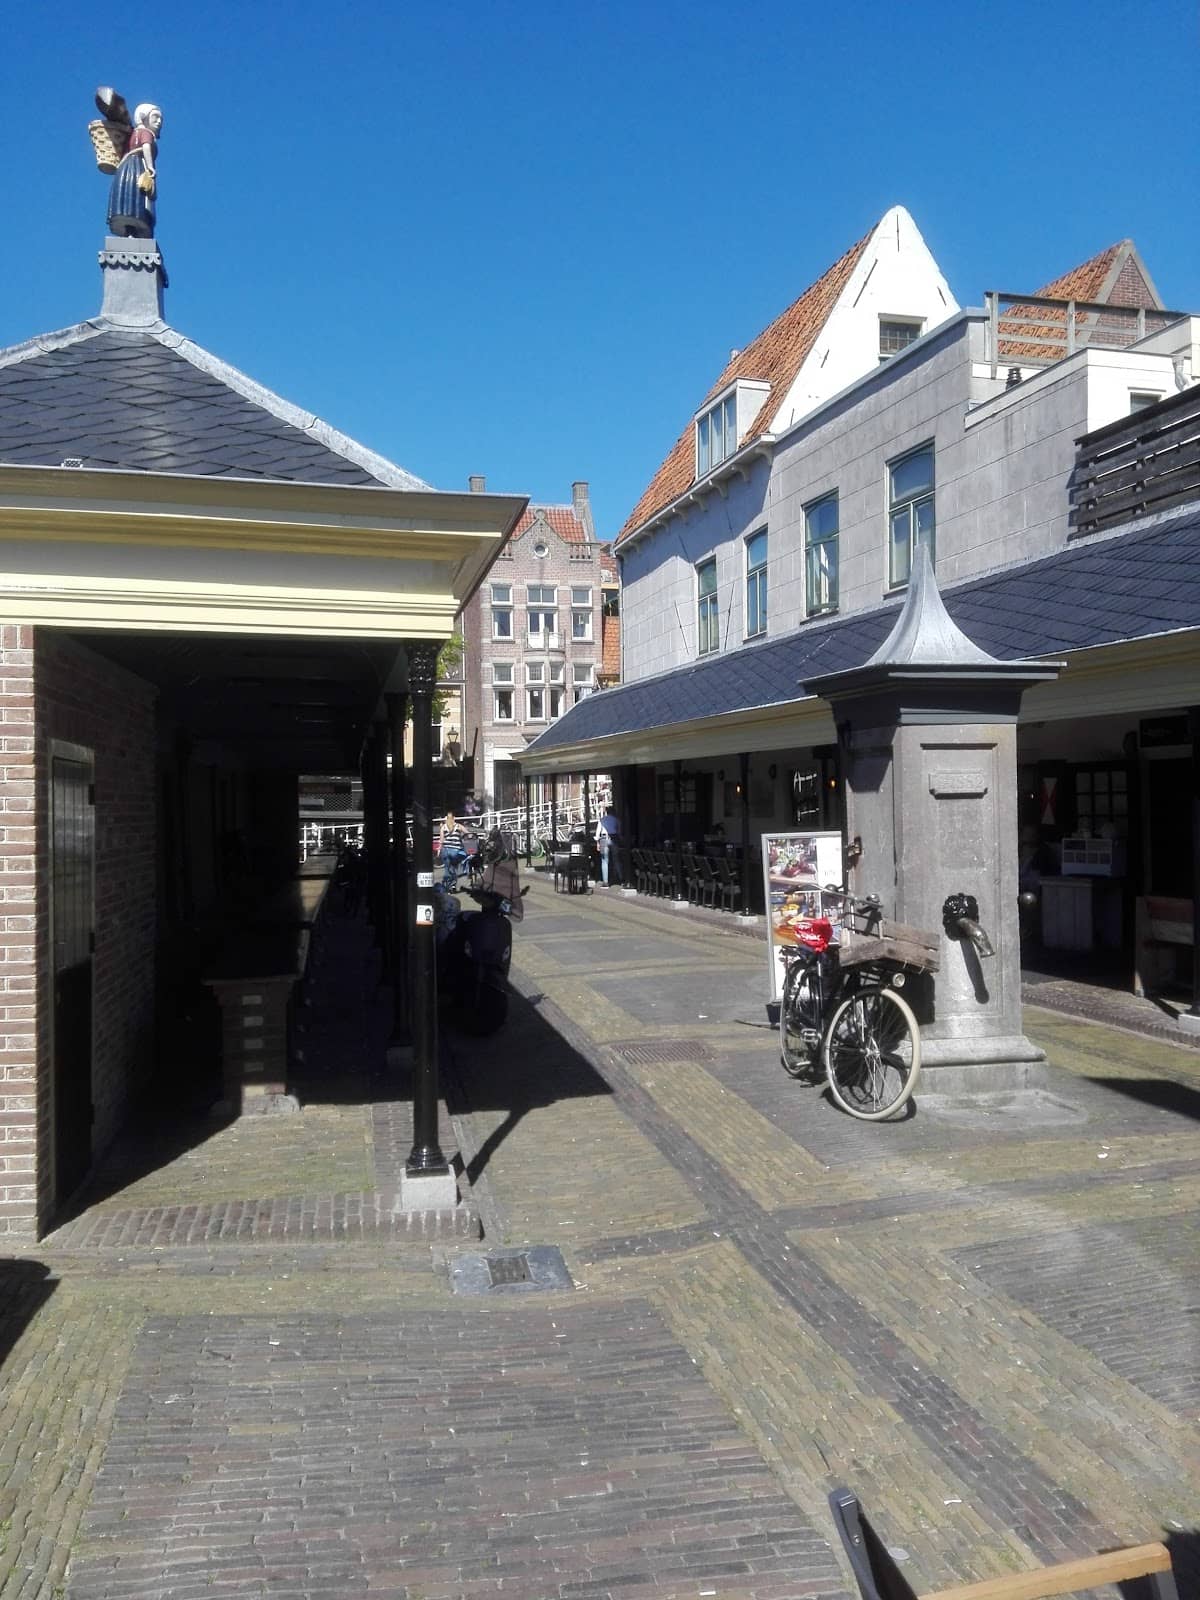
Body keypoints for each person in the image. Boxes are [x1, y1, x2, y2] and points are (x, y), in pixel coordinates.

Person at [108, 103, 162, 239]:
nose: (159, 121)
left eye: (160, 119)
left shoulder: (132, 134)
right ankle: (135, 227)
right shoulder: (146, 133)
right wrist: (150, 166)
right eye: (155, 117)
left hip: (124, 169)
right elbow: (146, 147)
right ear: (144, 118)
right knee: (138, 199)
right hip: (137, 169)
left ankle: (130, 230)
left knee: (127, 199)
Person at [439, 811, 468, 885]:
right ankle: (464, 871)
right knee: (467, 856)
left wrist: (439, 850)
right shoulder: (458, 826)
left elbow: (441, 840)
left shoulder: (443, 827)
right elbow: (468, 834)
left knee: (447, 868)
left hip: (445, 851)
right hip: (455, 851)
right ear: (454, 818)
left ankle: (447, 884)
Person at [595, 806, 621, 886]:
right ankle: (620, 878)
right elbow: (619, 832)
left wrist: (598, 843)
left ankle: (605, 881)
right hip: (614, 839)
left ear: (606, 812)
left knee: (604, 861)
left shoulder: (602, 820)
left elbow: (597, 833)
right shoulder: (616, 820)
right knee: (616, 860)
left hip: (603, 839)